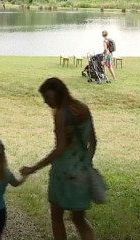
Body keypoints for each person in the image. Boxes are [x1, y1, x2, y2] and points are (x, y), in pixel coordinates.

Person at [20, 78, 97, 240]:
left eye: (47, 97)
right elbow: (93, 142)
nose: (45, 102)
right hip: (82, 171)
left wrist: (33, 168)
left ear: (58, 94)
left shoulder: (61, 114)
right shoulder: (83, 109)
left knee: (56, 216)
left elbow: (60, 149)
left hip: (63, 172)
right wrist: (86, 163)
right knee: (79, 219)